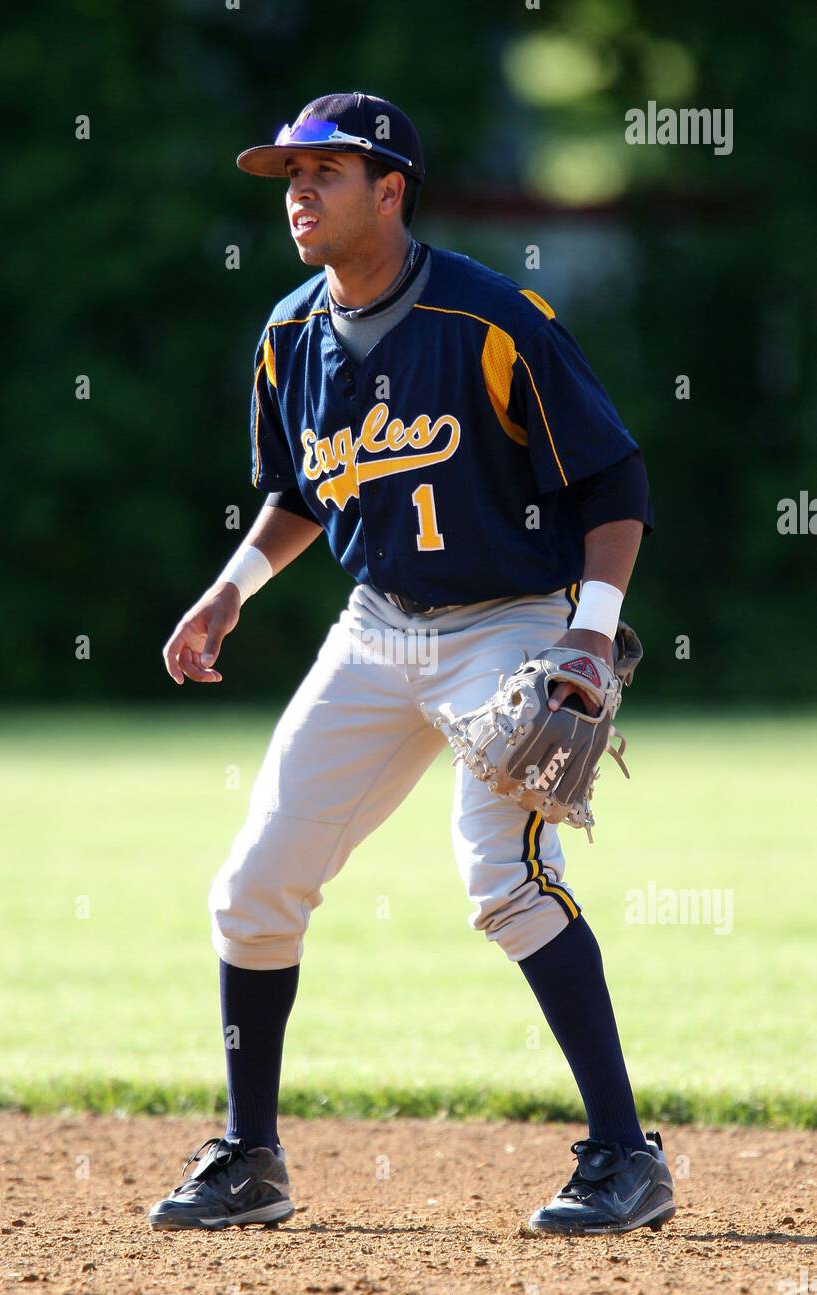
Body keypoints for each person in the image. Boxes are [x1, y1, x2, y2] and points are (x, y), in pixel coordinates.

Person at [150, 92, 675, 1237]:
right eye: (287, 175)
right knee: (251, 890)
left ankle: (625, 1156)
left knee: (500, 878)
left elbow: (611, 480)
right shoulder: (288, 336)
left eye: (322, 173)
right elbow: (297, 492)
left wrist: (587, 629)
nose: (295, 192)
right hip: (376, 625)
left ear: (389, 191)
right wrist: (228, 591)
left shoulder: (491, 320)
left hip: (510, 624)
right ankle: (250, 1156)